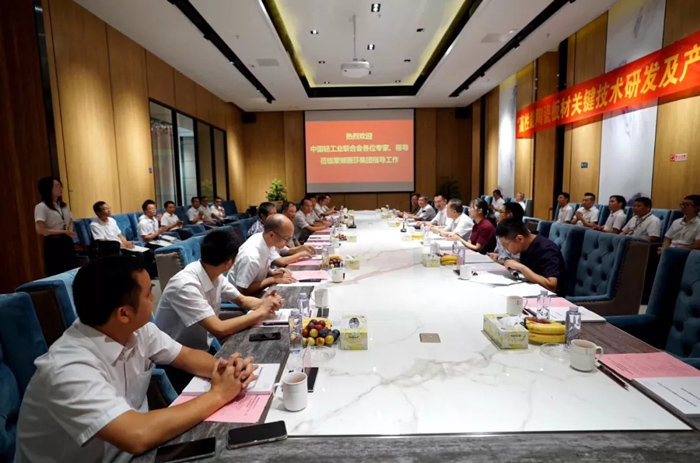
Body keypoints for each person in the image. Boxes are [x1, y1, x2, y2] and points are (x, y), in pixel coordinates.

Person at [16, 255, 258, 462]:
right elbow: (137, 434)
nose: (153, 299)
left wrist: (226, 369)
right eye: (149, 294)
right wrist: (219, 394)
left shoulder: (137, 330)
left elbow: (185, 356)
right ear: (124, 313)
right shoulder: (67, 368)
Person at [155, 228, 283, 389]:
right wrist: (261, 311)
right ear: (229, 263)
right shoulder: (185, 285)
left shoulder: (213, 274)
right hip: (176, 363)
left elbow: (242, 300)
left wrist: (267, 302)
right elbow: (219, 329)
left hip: (202, 350)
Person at [230, 215, 303, 295]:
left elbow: (260, 266)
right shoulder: (251, 256)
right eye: (286, 238)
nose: (288, 242)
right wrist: (272, 280)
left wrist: (272, 272)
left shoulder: (266, 240)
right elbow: (243, 291)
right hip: (237, 297)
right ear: (271, 235)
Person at [496, 218, 565, 294]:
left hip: (548, 297)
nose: (505, 248)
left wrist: (521, 267)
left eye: (506, 245)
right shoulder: (525, 245)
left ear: (519, 239)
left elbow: (551, 286)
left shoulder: (547, 250)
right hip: (531, 289)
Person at [34, 177, 78, 276]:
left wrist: (69, 230)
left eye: (61, 185)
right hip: (53, 243)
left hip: (67, 240)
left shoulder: (64, 206)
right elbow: (40, 230)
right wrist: (63, 232)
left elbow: (70, 220)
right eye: (57, 186)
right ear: (48, 188)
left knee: (72, 270)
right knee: (57, 271)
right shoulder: (41, 207)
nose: (61, 188)